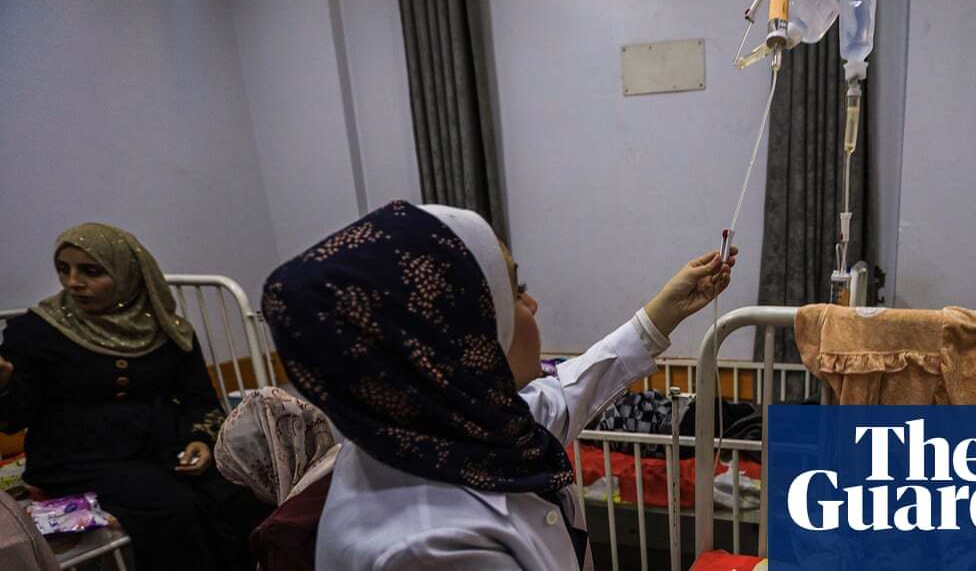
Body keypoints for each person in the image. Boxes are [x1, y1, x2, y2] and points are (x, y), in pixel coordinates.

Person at [261, 201, 737, 570]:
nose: (533, 305)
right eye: (515, 291)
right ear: (455, 332)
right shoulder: (426, 547)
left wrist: (662, 313)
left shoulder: (447, 429)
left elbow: (564, 396)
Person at [0, 223, 269, 570]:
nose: (73, 282)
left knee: (238, 488)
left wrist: (200, 440)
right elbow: (12, 419)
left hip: (162, 445)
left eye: (91, 271)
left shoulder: (165, 328)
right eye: (64, 269)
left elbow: (199, 400)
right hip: (77, 458)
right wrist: (4, 383)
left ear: (126, 274)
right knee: (174, 507)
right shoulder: (36, 332)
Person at [215, 386, 340, 571]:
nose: (254, 494)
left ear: (262, 471)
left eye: (247, 483)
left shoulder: (283, 533)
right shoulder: (354, 467)